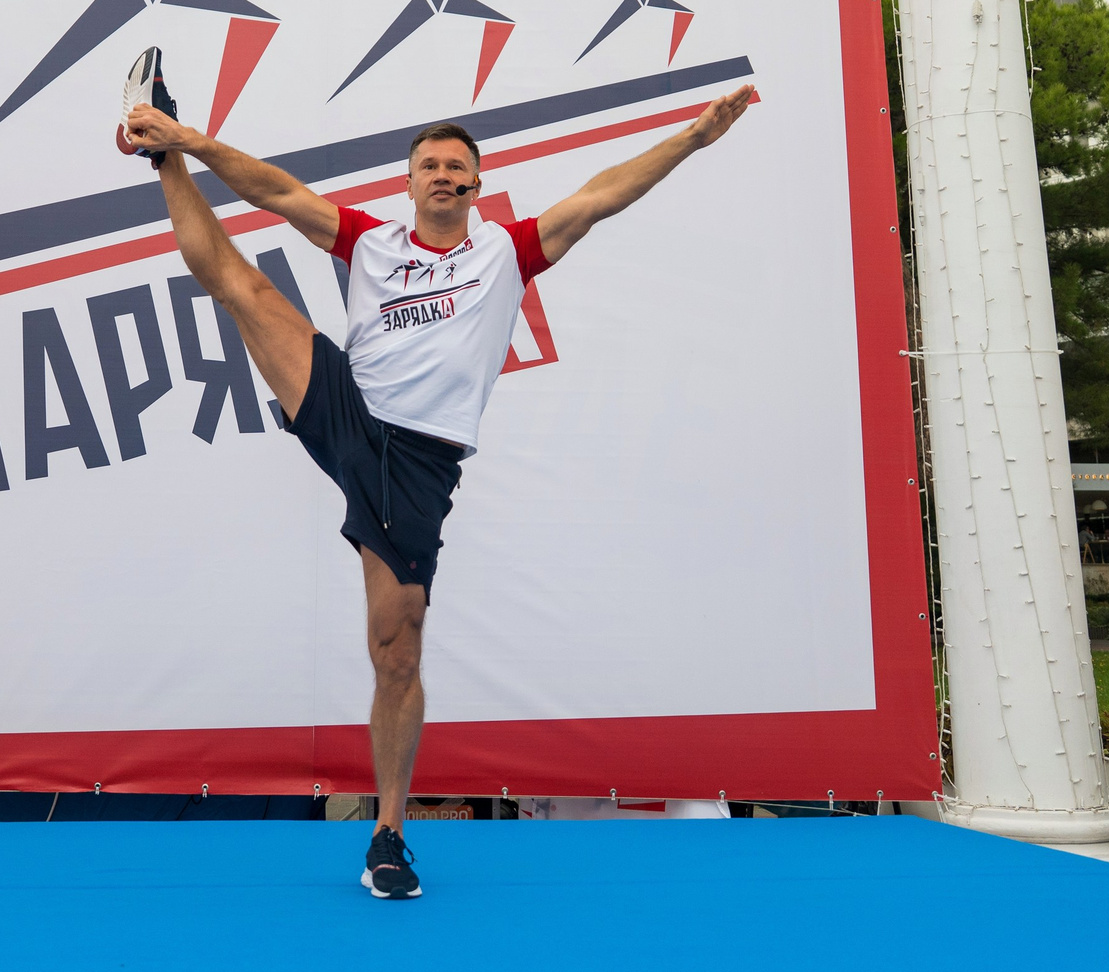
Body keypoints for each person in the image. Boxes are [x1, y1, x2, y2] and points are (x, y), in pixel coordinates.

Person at [125, 84, 754, 899]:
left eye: (458, 166)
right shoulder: (369, 240)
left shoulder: (505, 253)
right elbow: (276, 191)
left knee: (398, 646)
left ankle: (387, 835)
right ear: (410, 182)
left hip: (416, 463)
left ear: (477, 184)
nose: (444, 175)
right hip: (348, 403)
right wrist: (190, 141)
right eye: (430, 164)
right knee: (243, 286)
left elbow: (603, 195)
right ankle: (159, 153)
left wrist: (694, 139)